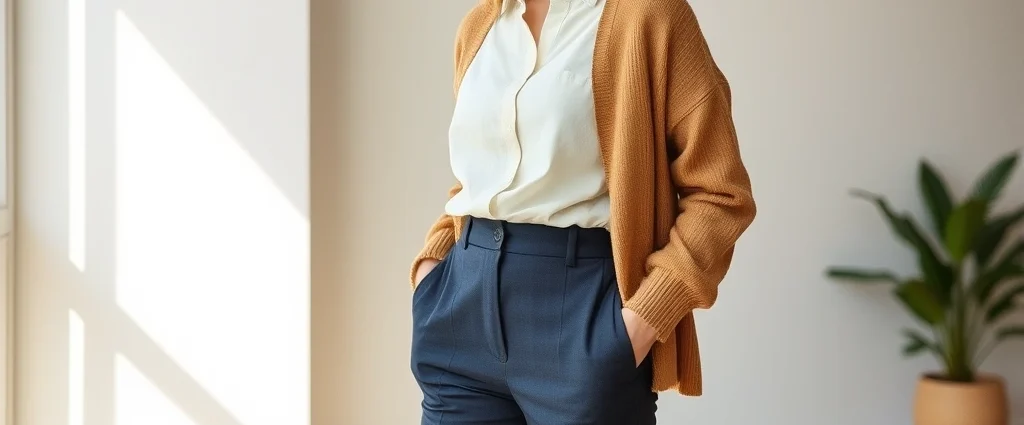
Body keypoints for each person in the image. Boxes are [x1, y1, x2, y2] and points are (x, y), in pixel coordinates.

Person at [409, 0, 755, 423]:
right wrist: (432, 269)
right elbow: (480, 180)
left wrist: (643, 318)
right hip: (460, 315)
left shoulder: (649, 15)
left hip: (582, 317)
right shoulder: (479, 26)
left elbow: (722, 194)